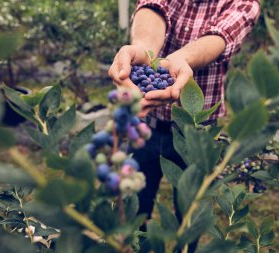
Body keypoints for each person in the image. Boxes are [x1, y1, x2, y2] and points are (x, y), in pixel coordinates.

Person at [109, 0, 260, 250]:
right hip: (147, 126)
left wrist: (181, 59)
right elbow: (153, 8)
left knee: (190, 214)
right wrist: (142, 49)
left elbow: (219, 37)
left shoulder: (244, 4)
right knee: (134, 205)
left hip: (196, 134)